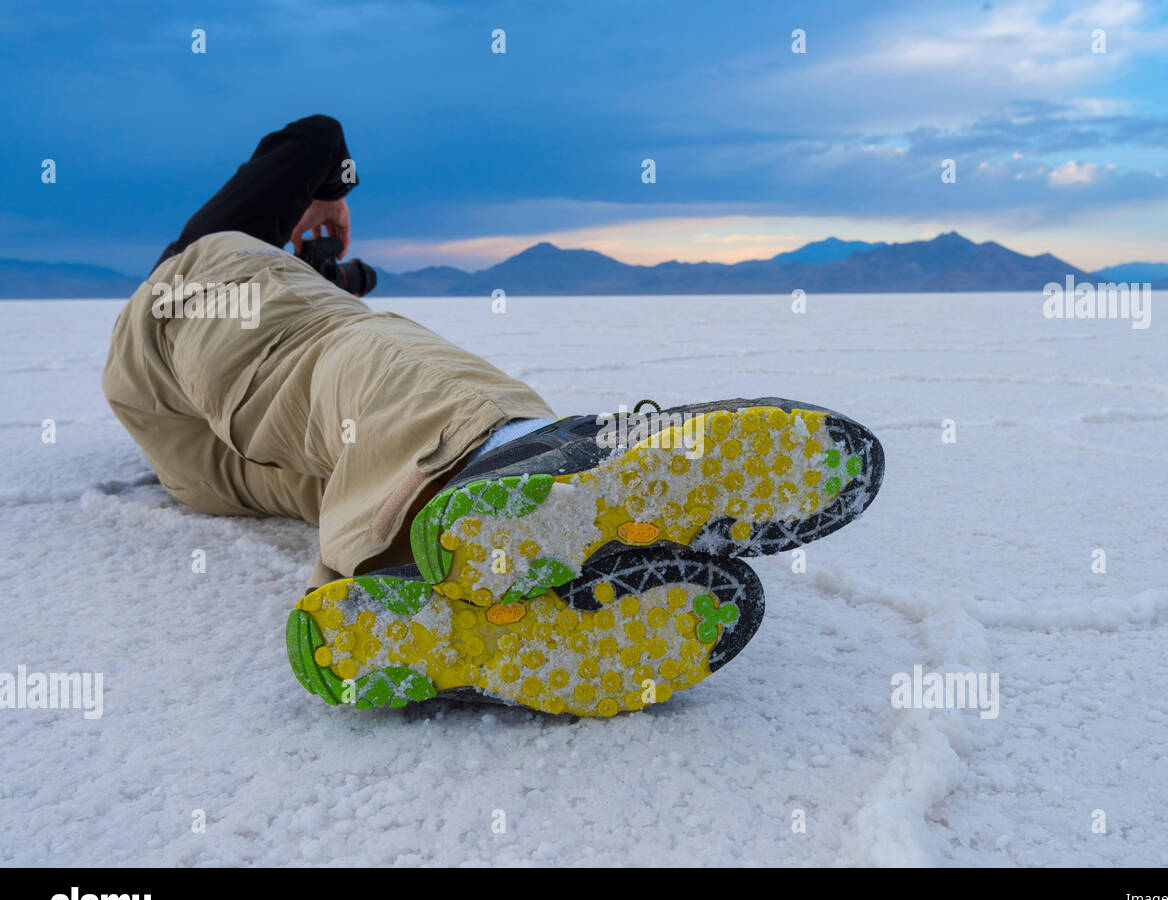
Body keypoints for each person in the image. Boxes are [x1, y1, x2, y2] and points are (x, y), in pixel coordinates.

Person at [103, 115, 885, 718]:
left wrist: (333, 273)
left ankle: (420, 588)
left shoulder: (244, 311)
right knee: (348, 357)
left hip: (195, 460)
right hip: (193, 309)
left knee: (349, 472)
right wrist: (330, 197)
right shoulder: (219, 242)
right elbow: (313, 135)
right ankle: (504, 447)